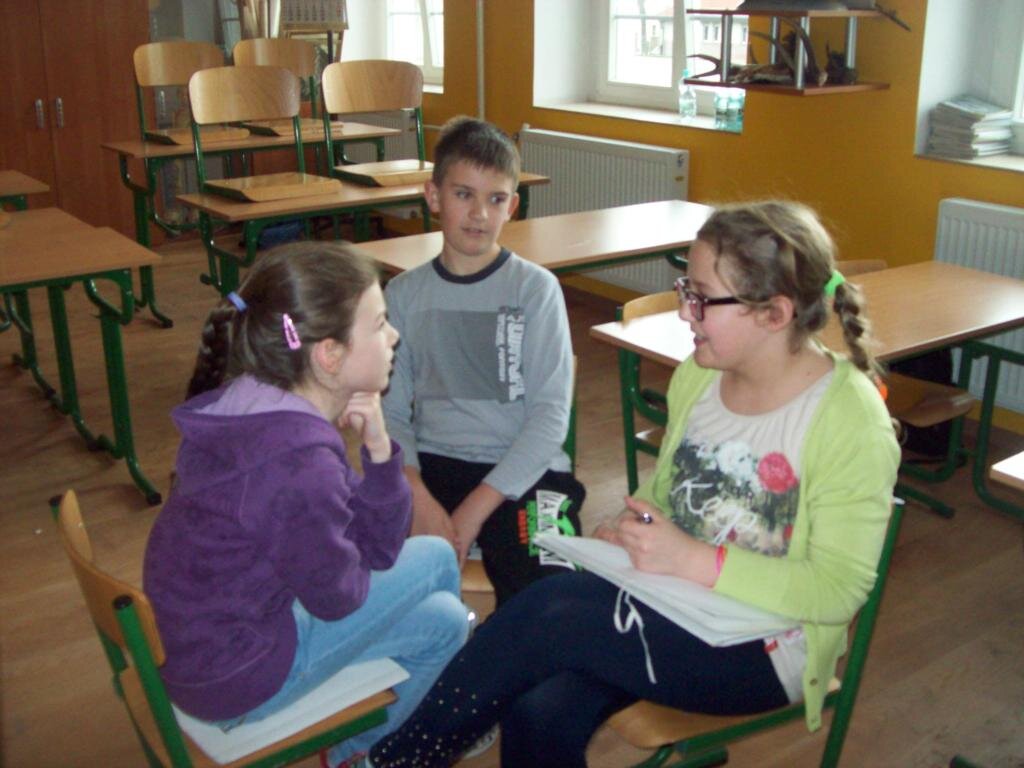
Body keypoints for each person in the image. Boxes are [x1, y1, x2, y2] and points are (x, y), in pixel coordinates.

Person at [358, 200, 901, 768]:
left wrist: (693, 559)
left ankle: (396, 760)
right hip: (673, 599)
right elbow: (669, 497)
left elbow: (836, 591)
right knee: (537, 708)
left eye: (701, 297)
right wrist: (632, 529)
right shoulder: (699, 377)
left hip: (764, 648)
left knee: (552, 610)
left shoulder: (847, 419)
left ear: (774, 313)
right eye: (686, 289)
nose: (686, 312)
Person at [143, 243, 469, 768]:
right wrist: (378, 460)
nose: (393, 336)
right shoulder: (298, 463)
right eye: (379, 324)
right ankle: (365, 755)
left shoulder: (256, 402)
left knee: (440, 592)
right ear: (329, 355)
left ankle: (407, 720)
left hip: (205, 641)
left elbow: (352, 546)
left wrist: (378, 448)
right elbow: (343, 593)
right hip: (238, 675)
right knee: (444, 605)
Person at [382, 116, 584, 606]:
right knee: (367, 569)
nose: (478, 214)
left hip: (528, 470)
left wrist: (475, 510)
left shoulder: (536, 290)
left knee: (552, 594)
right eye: (463, 194)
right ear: (433, 196)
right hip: (433, 466)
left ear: (512, 206)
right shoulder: (402, 295)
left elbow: (549, 419)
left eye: (495, 199)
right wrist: (417, 495)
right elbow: (390, 415)